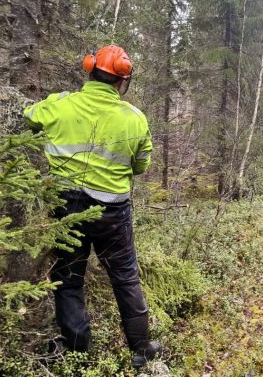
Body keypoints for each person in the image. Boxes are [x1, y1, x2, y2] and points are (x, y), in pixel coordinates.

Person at [23, 45, 160, 368]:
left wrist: (53, 102)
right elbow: (140, 165)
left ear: (89, 70)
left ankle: (77, 352)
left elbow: (29, 118)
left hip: (66, 209)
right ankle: (141, 351)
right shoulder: (135, 119)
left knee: (69, 277)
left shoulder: (60, 106)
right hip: (113, 212)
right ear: (122, 82)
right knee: (125, 277)